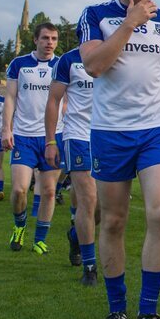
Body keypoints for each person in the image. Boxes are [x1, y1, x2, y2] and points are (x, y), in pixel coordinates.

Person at [78, 0, 160, 319]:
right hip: (110, 131)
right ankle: (116, 307)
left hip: (156, 130)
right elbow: (93, 65)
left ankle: (149, 312)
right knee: (115, 220)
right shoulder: (95, 16)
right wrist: (129, 23)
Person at [3, 23, 60, 255]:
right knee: (19, 190)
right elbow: (10, 98)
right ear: (35, 40)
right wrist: (6, 129)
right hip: (24, 136)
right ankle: (19, 226)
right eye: (45, 38)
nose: (50, 43)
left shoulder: (61, 65)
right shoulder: (20, 64)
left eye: (54, 39)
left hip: (52, 137)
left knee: (48, 191)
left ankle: (40, 239)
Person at [44, 46, 97, 283]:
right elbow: (54, 100)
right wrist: (50, 141)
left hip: (108, 135)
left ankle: (75, 235)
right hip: (77, 135)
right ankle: (90, 266)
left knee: (103, 210)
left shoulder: (115, 52)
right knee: (88, 200)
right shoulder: (69, 60)